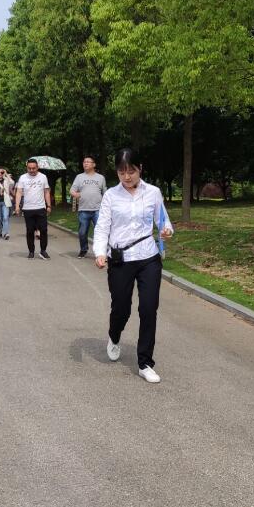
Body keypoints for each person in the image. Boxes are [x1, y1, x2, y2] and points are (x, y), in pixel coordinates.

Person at [94, 148, 174, 384]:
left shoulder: (153, 193)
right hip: (121, 259)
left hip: (148, 257)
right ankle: (114, 336)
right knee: (121, 308)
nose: (127, 177)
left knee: (148, 308)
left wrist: (166, 231)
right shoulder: (111, 195)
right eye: (122, 172)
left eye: (131, 171)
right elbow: (102, 227)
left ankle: (145, 363)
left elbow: (163, 220)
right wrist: (100, 252)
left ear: (140, 169)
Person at [14, 158, 52, 259]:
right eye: (29, 168)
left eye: (33, 168)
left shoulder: (43, 177)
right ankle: (31, 251)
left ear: (37, 167)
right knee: (30, 231)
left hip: (41, 208)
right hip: (28, 209)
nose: (31, 170)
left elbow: (46, 192)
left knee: (43, 230)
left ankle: (43, 251)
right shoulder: (23, 178)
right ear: (27, 168)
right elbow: (19, 192)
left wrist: (48, 205)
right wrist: (17, 206)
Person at [71, 156, 108, 259]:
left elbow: (105, 193)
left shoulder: (100, 178)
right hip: (83, 209)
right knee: (82, 232)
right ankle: (83, 249)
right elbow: (72, 190)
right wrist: (75, 194)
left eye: (88, 162)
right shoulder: (79, 177)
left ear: (94, 164)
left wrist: (107, 206)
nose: (85, 163)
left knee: (101, 233)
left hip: (98, 209)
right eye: (84, 162)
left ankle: (101, 253)